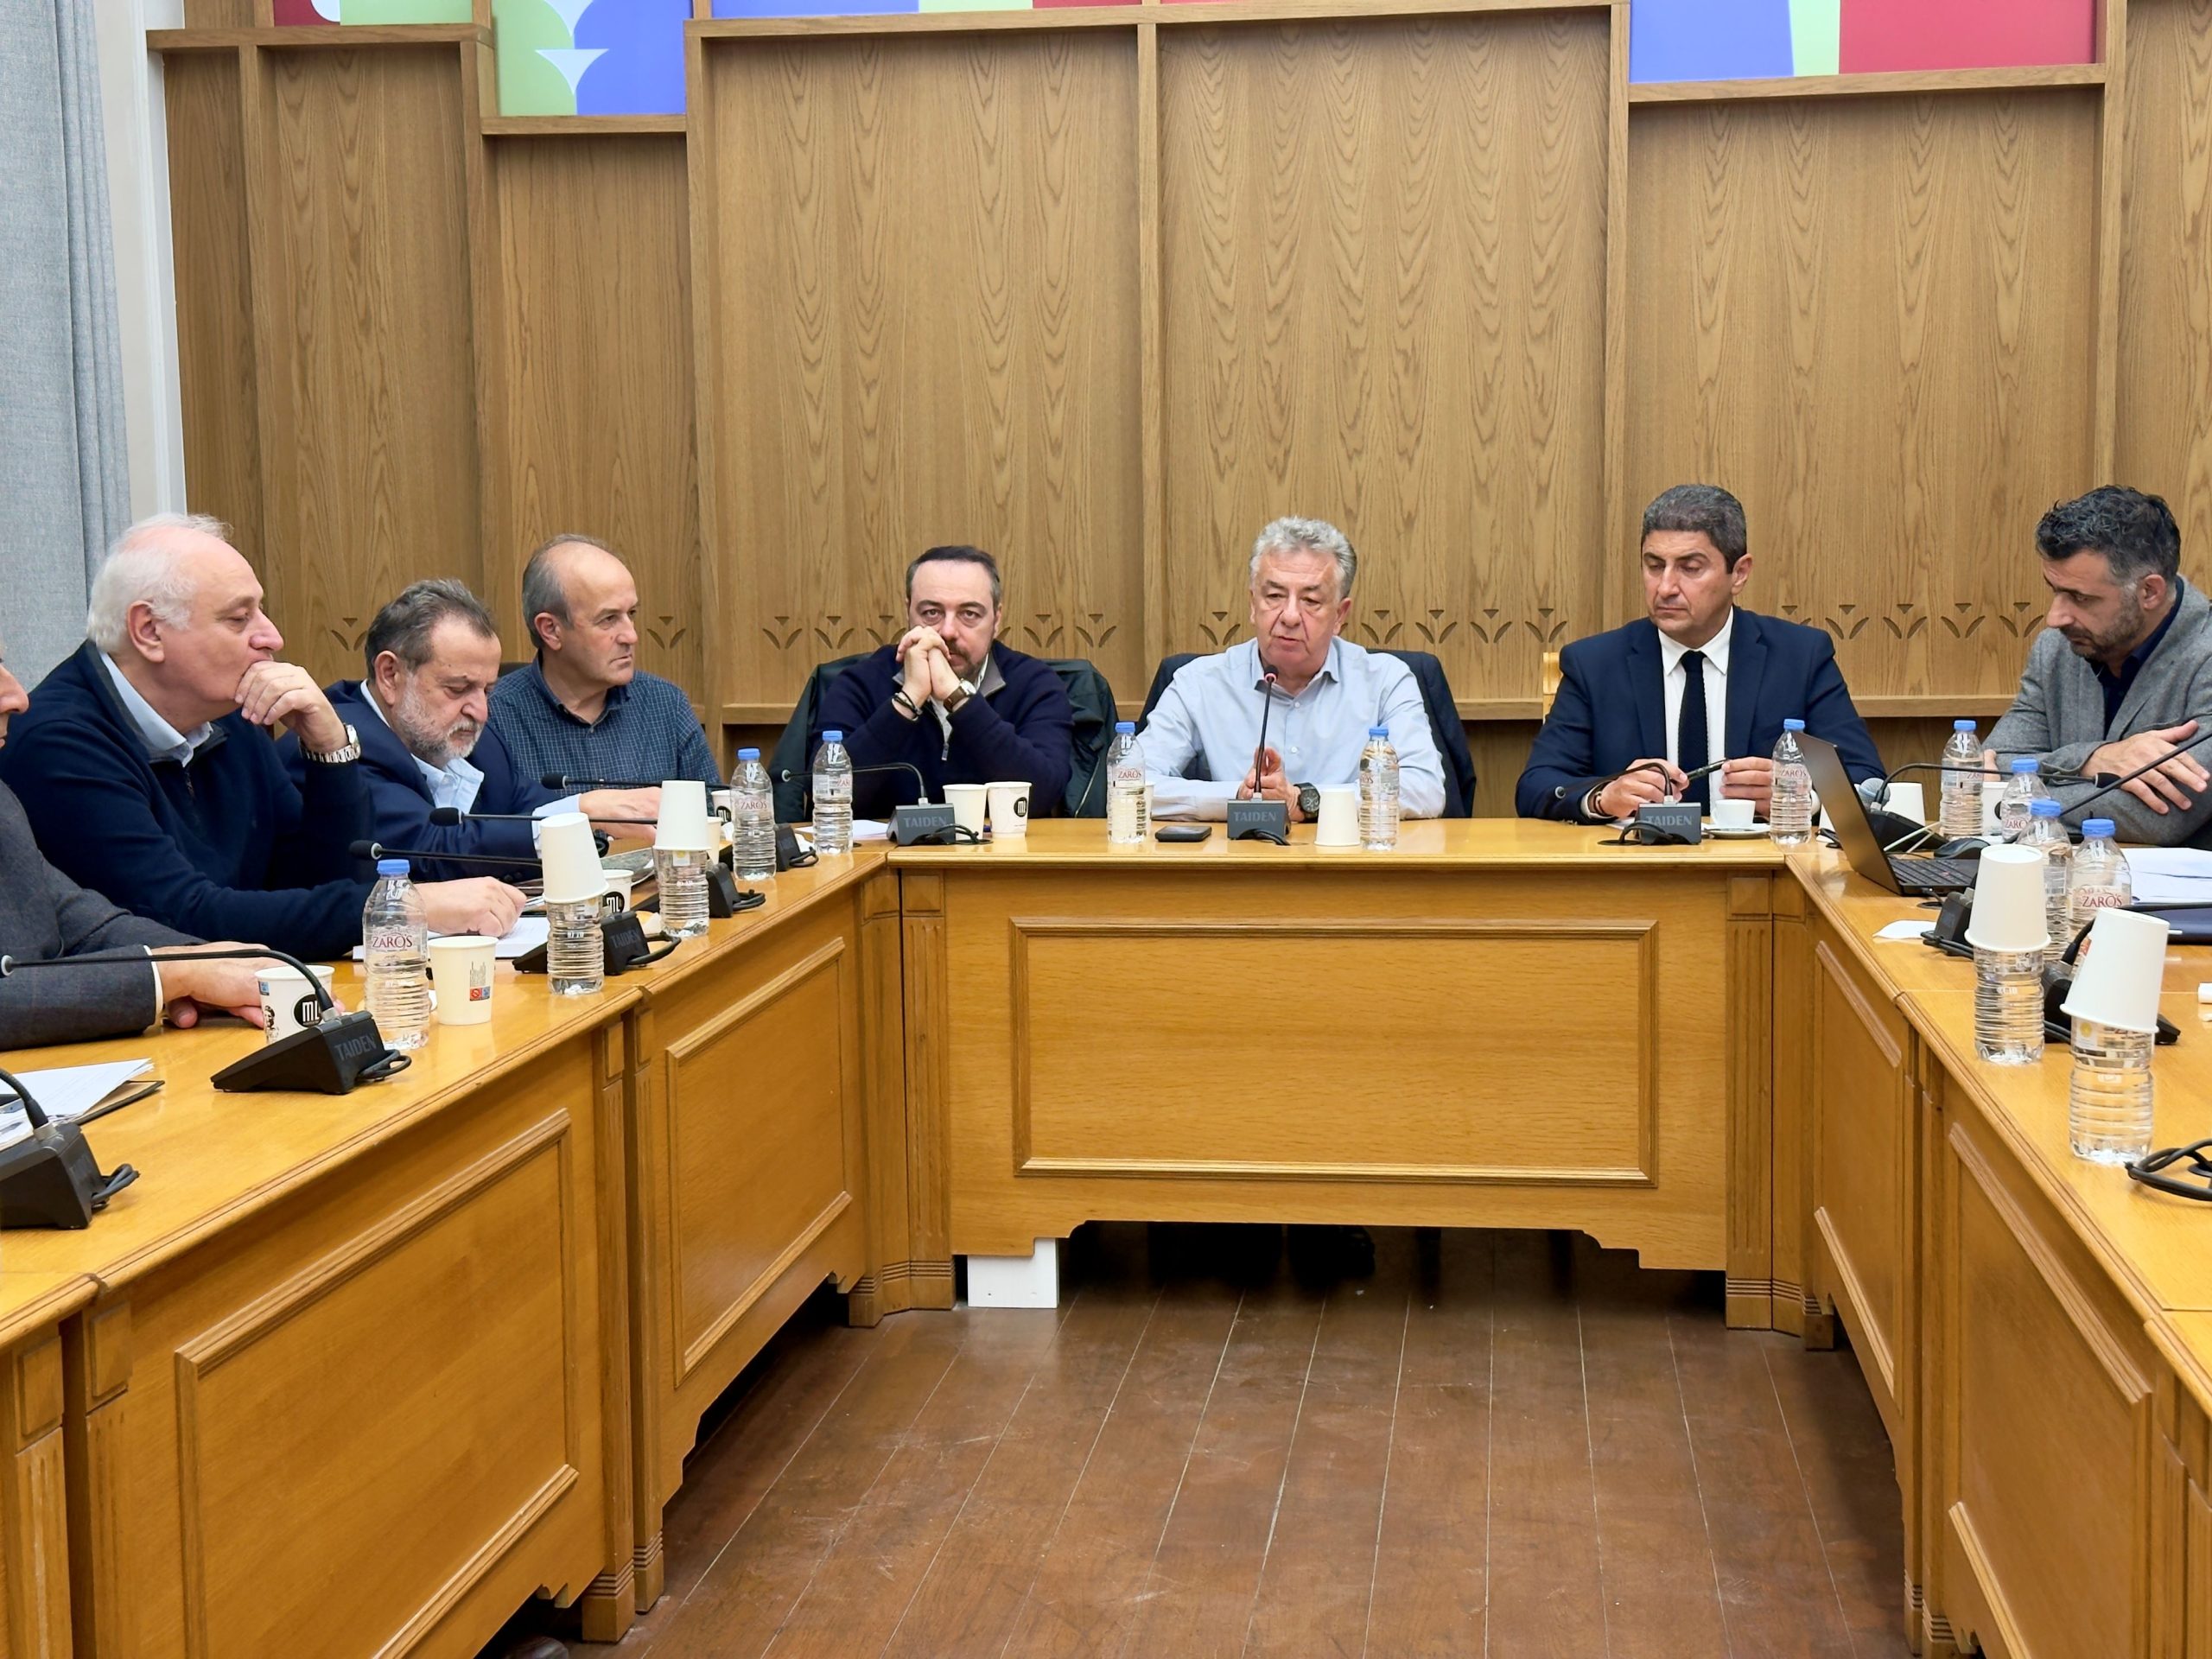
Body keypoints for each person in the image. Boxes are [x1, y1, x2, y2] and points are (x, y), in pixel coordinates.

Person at [0, 514, 524, 961]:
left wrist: (330, 749)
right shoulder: (58, 742)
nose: (271, 636)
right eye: (239, 618)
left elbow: (325, 879)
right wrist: (405, 906)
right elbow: (180, 919)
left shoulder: (230, 715)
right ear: (149, 631)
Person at [1516, 484, 1883, 822]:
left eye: (1690, 568)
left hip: (1760, 866)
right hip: (1637, 865)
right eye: (1654, 566)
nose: (1665, 587)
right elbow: (1536, 785)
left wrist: (1800, 797)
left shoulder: (1800, 657)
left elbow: (1868, 781)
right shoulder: (1594, 664)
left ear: (1739, 574)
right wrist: (1602, 797)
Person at [0, 642, 276, 1046]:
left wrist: (207, 963)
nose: (17, 698)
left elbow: (82, 923)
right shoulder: (59, 734)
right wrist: (167, 977)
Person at [321, 580, 661, 883]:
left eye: (487, 690)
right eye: (458, 689)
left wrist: (591, 813)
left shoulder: (480, 746)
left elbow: (527, 813)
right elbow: (426, 850)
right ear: (390, 675)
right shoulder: (337, 744)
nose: (481, 711)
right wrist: (581, 811)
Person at [1142, 517, 1446, 822]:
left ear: (1340, 615)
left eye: (1310, 600)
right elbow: (1131, 783)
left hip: (1347, 852)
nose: (1289, 616)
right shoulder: (1198, 683)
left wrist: (1304, 802)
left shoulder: (1385, 681)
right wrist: (1241, 798)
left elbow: (1425, 789)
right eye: (1274, 596)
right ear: (1253, 604)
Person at [1986, 487, 2212, 846]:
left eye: (2080, 597)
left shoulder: (2205, 656)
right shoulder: (2057, 649)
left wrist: (2014, 802)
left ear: (2149, 592)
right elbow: (1986, 768)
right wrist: (2092, 760)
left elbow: (2160, 816)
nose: (2055, 617)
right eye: (2055, 590)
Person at [809, 544, 1076, 817]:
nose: (948, 631)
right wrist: (908, 700)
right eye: (931, 613)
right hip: (887, 846)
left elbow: (1041, 796)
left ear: (996, 619)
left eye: (969, 614)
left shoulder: (1035, 684)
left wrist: (957, 697)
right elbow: (827, 794)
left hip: (996, 846)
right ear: (908, 612)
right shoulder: (860, 682)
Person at [488, 534, 721, 791]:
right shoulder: (493, 718)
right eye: (608, 619)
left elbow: (714, 810)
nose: (631, 636)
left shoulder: (665, 705)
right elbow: (479, 817)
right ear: (551, 630)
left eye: (631, 614)